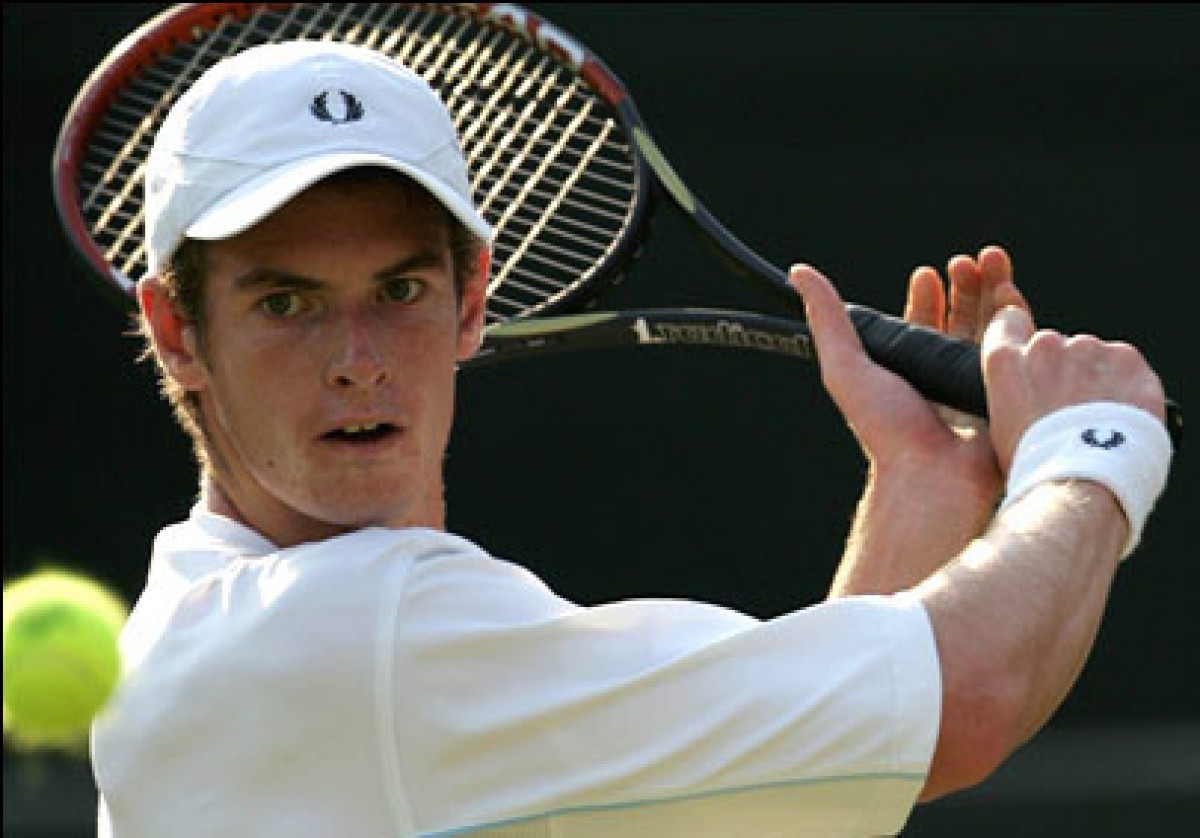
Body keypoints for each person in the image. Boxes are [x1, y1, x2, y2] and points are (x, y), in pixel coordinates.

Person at [90, 39, 1174, 837]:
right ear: (179, 333)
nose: (358, 358)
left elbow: (786, 790)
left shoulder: (218, 624)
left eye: (401, 289)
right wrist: (1091, 448)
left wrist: (925, 484)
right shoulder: (347, 633)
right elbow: (964, 699)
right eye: (286, 303)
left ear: (472, 298)